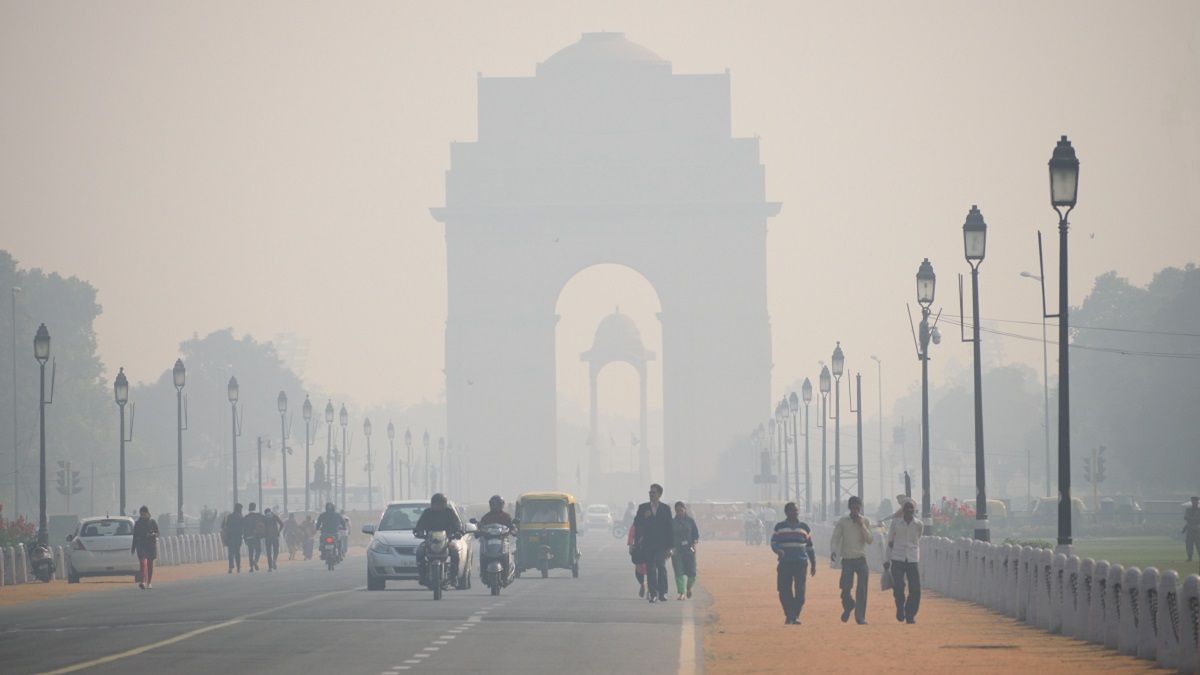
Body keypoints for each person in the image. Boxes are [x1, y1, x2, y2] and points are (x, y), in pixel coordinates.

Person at [771, 501, 816, 624]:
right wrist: (778, 551)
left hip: (800, 563)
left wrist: (813, 564)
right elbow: (774, 542)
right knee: (784, 591)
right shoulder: (779, 527)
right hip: (785, 563)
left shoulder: (804, 527)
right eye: (792, 510)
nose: (794, 513)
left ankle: (794, 615)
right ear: (786, 512)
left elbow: (810, 547)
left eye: (796, 510)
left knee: (800, 593)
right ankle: (790, 615)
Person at [831, 495, 874, 624]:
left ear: (860, 508)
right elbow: (835, 537)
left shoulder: (865, 521)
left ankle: (860, 616)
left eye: (858, 508)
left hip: (861, 559)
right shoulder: (843, 521)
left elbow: (869, 540)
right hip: (847, 560)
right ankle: (849, 605)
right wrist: (833, 551)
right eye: (853, 508)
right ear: (850, 508)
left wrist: (862, 525)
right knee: (845, 588)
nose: (856, 510)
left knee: (862, 589)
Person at [633, 483, 673, 603]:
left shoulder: (665, 509)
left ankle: (663, 592)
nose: (651, 494)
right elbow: (637, 524)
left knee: (661, 567)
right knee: (650, 569)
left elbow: (669, 528)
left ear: (659, 494)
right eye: (650, 492)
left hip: (662, 544)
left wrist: (671, 547)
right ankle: (653, 593)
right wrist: (644, 517)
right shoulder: (643, 508)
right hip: (648, 544)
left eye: (654, 492)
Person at [886, 498, 923, 623]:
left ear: (914, 510)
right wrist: (887, 559)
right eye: (906, 508)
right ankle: (900, 607)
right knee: (899, 586)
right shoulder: (895, 523)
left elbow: (918, 537)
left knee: (915, 589)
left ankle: (910, 614)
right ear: (903, 510)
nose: (909, 510)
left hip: (912, 558)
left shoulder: (918, 524)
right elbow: (890, 541)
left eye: (911, 508)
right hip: (897, 558)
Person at [414, 493, 463, 584]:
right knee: (420, 551)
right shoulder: (427, 512)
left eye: (439, 504)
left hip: (446, 540)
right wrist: (418, 531)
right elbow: (420, 524)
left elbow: (456, 523)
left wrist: (458, 531)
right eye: (435, 504)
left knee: (455, 552)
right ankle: (422, 576)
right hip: (429, 540)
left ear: (444, 504)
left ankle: (453, 576)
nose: (436, 506)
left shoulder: (449, 512)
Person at [671, 501, 699, 600]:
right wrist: (671, 548)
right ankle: (681, 593)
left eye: (681, 510)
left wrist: (694, 544)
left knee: (692, 572)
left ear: (685, 510)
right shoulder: (672, 522)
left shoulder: (691, 521)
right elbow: (669, 537)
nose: (679, 513)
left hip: (689, 548)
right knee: (678, 571)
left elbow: (695, 534)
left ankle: (689, 587)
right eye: (677, 511)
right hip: (676, 549)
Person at [131, 505, 160, 589]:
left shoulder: (152, 522)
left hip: (151, 545)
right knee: (143, 563)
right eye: (141, 514)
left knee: (150, 564)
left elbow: (158, 533)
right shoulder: (138, 523)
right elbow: (135, 536)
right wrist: (133, 547)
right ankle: (142, 581)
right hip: (141, 545)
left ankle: (149, 582)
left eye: (144, 514)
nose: (143, 516)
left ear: (147, 513)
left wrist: (153, 534)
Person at [243, 502, 266, 572]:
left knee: (250, 552)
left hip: (248, 537)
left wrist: (244, 538)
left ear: (249, 508)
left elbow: (244, 529)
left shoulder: (246, 517)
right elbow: (265, 521)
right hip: (256, 536)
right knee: (258, 550)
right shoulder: (258, 515)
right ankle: (255, 561)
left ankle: (251, 567)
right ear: (255, 508)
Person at [626, 522, 648, 597]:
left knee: (651, 569)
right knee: (639, 570)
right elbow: (631, 534)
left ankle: (651, 590)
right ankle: (642, 584)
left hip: (651, 549)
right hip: (639, 550)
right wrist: (630, 545)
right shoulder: (637, 523)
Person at [222, 503, 244, 573]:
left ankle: (230, 567)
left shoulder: (229, 516)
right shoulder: (241, 517)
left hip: (230, 537)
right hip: (238, 537)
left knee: (230, 553)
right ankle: (238, 568)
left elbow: (223, 526)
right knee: (237, 553)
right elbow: (243, 528)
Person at [1185, 496, 1200, 562]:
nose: (1194, 502)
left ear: (1197, 501)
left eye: (1195, 501)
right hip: (1190, 529)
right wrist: (1194, 520)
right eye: (1193, 501)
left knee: (1198, 544)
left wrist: (1192, 520)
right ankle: (1189, 557)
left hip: (1197, 529)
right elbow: (1186, 517)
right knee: (1189, 544)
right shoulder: (1188, 509)